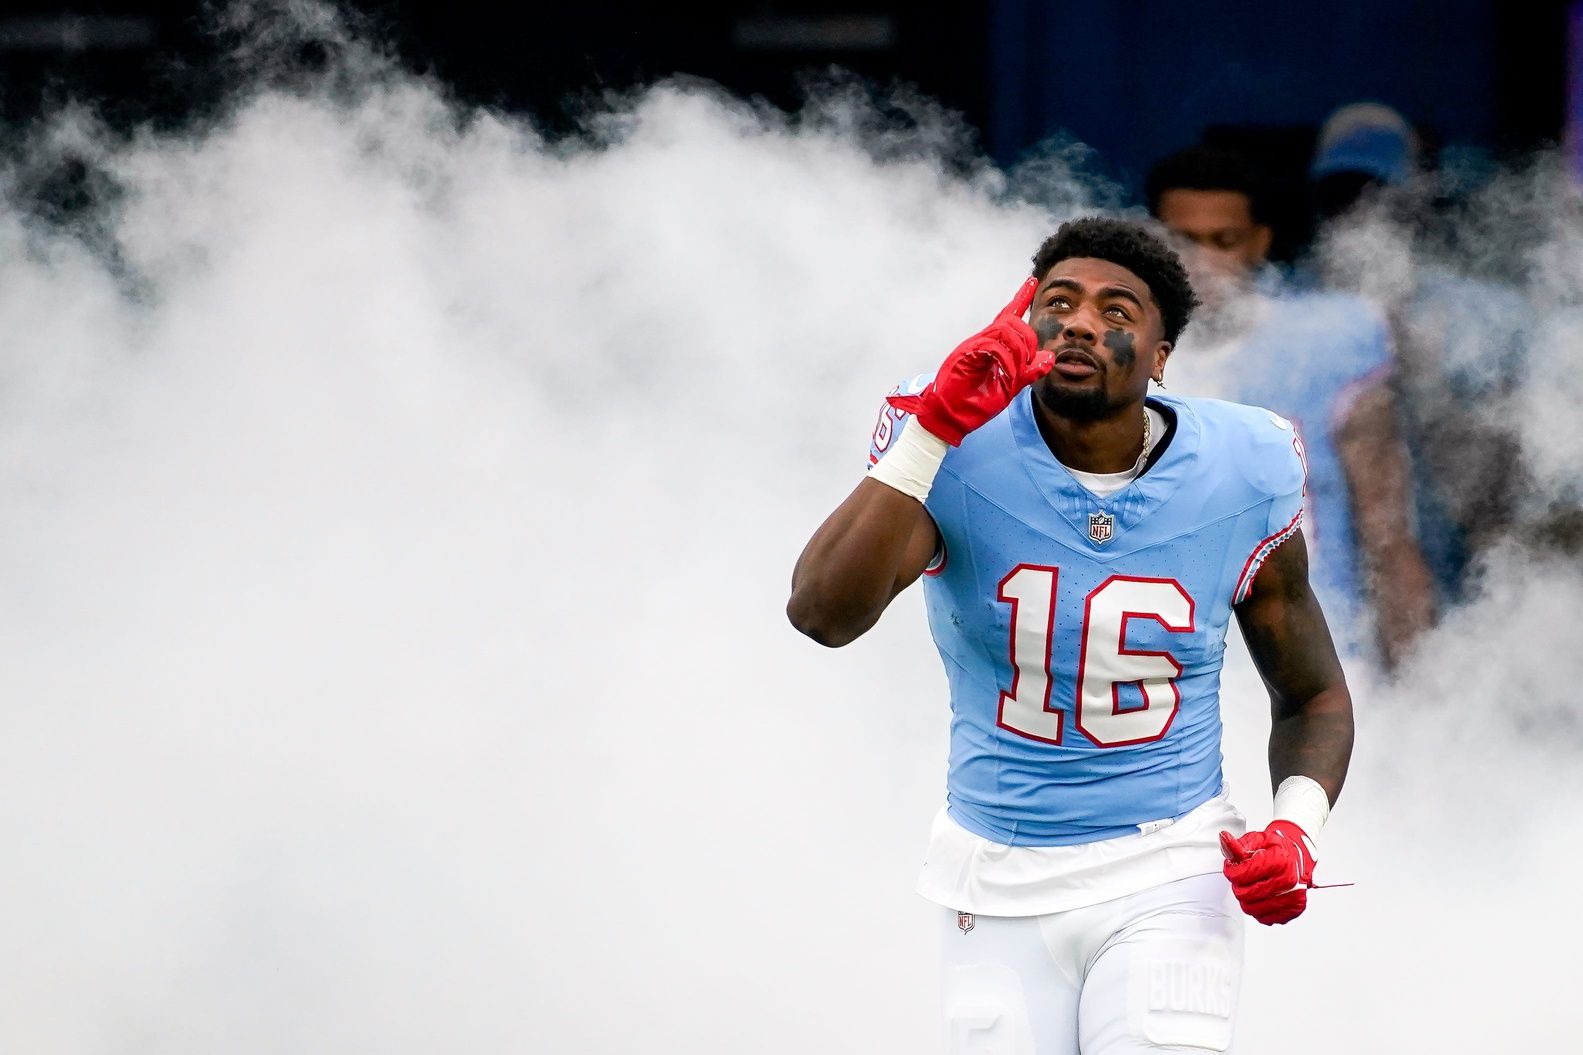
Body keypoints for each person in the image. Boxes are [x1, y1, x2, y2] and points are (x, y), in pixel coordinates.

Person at [788, 218, 1354, 1054]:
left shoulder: (1242, 463)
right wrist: (933, 430)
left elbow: (1311, 693)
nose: (1083, 322)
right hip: (994, 866)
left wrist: (1295, 827)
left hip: (1169, 862)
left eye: (1117, 310)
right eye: (1058, 302)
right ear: (1022, 323)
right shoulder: (953, 441)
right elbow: (822, 615)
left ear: (1161, 355)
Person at [1146, 143, 1436, 666]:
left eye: (1223, 241)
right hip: (1164, 675)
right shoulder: (1114, 360)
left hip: (1317, 664)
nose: (1200, 262)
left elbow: (1389, 537)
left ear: (1259, 242)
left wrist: (1423, 695)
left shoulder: (1327, 345)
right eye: (1181, 241)